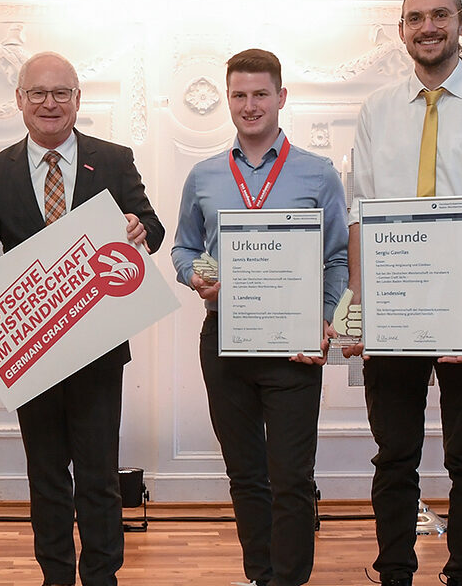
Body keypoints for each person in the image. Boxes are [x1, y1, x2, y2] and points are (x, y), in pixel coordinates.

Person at [343, 0, 462, 586]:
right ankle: (394, 571)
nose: (428, 27)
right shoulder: (376, 111)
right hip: (395, 292)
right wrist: (362, 309)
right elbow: (360, 213)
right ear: (402, 31)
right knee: (394, 454)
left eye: (440, 16)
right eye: (416, 18)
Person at [0, 51, 164, 586]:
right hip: (31, 350)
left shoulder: (114, 160)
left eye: (61, 93)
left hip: (98, 348)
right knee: (46, 476)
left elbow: (153, 229)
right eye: (38, 93)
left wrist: (139, 230)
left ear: (78, 99)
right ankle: (55, 577)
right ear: (20, 101)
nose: (50, 104)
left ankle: (102, 577)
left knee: (98, 476)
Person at [170, 48, 348, 586]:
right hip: (224, 338)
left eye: (260, 94)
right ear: (228, 99)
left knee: (291, 477)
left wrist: (325, 319)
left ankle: (289, 580)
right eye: (240, 95)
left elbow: (338, 256)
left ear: (281, 98)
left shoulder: (318, 174)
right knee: (246, 474)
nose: (250, 106)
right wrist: (200, 275)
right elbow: (186, 249)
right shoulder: (203, 176)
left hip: (294, 342)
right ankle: (260, 575)